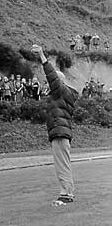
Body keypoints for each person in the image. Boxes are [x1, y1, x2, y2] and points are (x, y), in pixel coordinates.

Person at [31, 44, 79, 205]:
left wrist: (42, 57)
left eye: (50, 82)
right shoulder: (61, 94)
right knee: (63, 162)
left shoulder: (60, 90)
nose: (48, 84)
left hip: (59, 131)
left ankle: (66, 193)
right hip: (59, 130)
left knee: (62, 163)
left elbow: (52, 76)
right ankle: (67, 191)